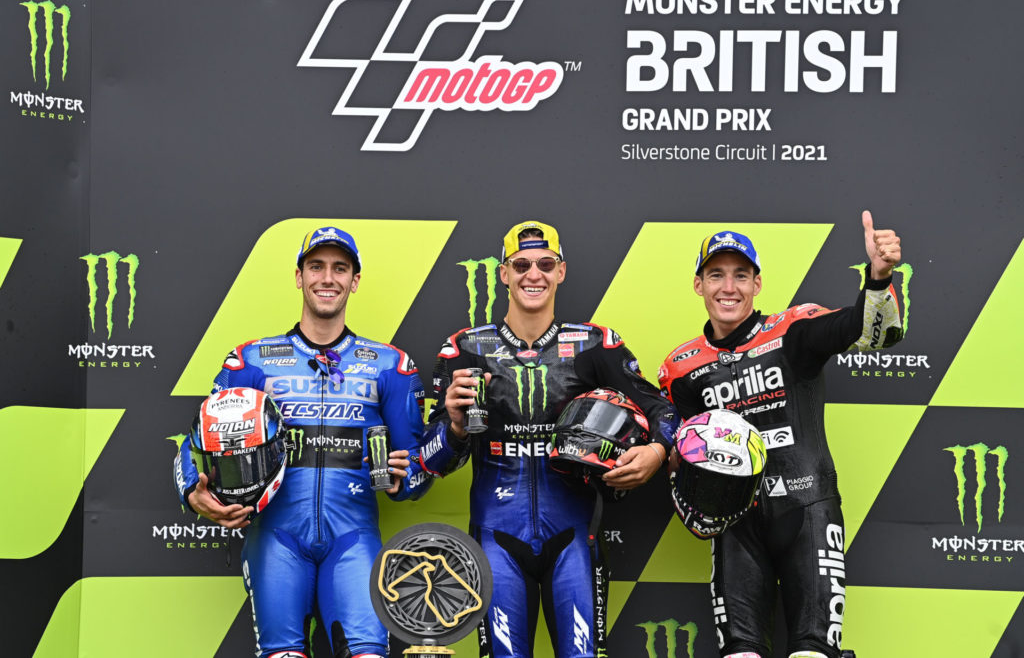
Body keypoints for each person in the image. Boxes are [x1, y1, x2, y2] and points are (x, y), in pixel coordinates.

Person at [417, 220, 680, 658]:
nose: (532, 274)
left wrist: (656, 450)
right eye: (521, 265)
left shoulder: (596, 344)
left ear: (561, 271)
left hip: (574, 535)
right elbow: (434, 458)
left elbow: (663, 411)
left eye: (545, 263)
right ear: (503, 274)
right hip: (495, 537)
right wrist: (456, 427)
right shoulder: (464, 348)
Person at [652, 211, 903, 658]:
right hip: (734, 524)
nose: (729, 288)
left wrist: (878, 278)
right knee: (741, 654)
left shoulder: (793, 330)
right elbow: (677, 452)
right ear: (698, 285)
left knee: (812, 652)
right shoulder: (681, 368)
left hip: (807, 510)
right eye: (716, 275)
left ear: (757, 284)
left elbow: (874, 334)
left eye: (741, 276)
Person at [173, 226, 431, 658]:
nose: (327, 278)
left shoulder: (390, 365)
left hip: (354, 538)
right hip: (276, 537)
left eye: (339, 268)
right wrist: (191, 491)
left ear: (355, 280)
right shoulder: (251, 360)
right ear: (299, 277)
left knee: (368, 653)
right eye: (316, 267)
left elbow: (417, 476)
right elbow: (195, 440)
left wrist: (408, 478)